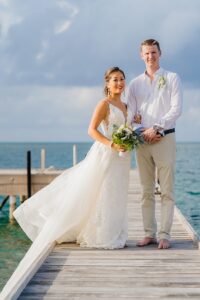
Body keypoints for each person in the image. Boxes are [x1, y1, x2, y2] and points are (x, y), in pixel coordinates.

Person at [0, 67, 133, 298]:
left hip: (123, 158)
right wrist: (111, 144)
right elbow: (91, 130)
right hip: (106, 153)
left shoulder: (127, 106)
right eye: (115, 80)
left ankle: (115, 232)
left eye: (122, 79)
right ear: (107, 83)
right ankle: (102, 234)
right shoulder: (104, 105)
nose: (119, 83)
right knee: (103, 192)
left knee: (117, 192)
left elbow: (128, 127)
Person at [127, 39, 183, 249]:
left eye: (153, 52)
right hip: (142, 141)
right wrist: (141, 131)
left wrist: (157, 128)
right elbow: (131, 114)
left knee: (167, 190)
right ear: (141, 56)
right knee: (145, 190)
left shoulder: (172, 78)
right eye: (146, 53)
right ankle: (149, 233)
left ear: (160, 53)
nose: (150, 56)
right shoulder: (134, 84)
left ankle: (165, 235)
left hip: (164, 138)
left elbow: (176, 109)